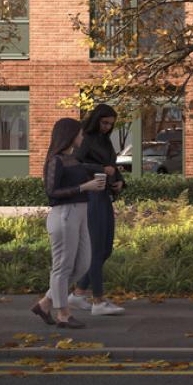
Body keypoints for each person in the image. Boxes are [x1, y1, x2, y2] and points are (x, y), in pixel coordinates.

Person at [32, 117, 105, 329]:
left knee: (83, 264)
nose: (82, 137)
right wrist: (85, 187)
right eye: (80, 134)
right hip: (64, 214)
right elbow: (51, 192)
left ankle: (45, 303)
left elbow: (86, 170)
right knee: (62, 267)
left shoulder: (72, 159)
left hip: (80, 213)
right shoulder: (55, 160)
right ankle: (63, 314)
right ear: (70, 135)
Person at [70, 103, 126, 316]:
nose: (107, 127)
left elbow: (112, 164)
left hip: (104, 195)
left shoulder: (104, 140)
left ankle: (78, 294)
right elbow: (74, 164)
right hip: (90, 196)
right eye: (104, 123)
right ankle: (99, 301)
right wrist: (100, 169)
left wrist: (119, 181)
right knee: (95, 249)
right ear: (96, 120)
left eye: (111, 125)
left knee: (105, 250)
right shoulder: (85, 138)